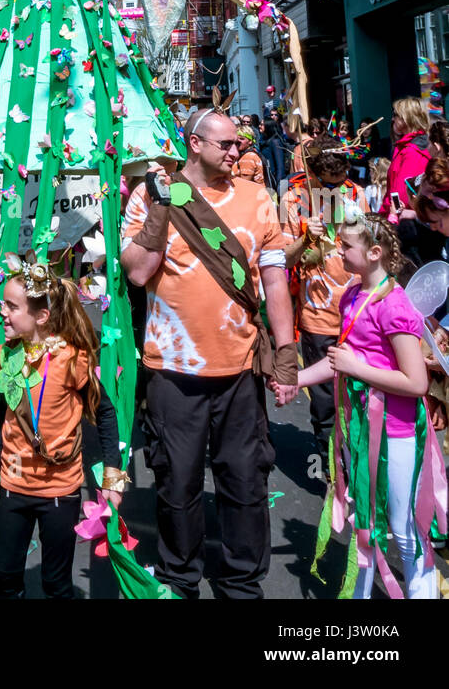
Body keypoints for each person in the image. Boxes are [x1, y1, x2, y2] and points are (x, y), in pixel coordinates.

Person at [121, 108, 297, 599]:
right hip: (172, 372)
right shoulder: (153, 194)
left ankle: (242, 583)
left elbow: (275, 279)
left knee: (245, 482)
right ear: (195, 145)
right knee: (177, 485)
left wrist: (285, 353)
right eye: (228, 145)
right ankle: (181, 579)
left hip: (239, 370)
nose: (238, 151)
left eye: (239, 144)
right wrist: (160, 208)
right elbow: (137, 272)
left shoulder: (258, 198)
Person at [291, 214, 444, 598]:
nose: (339, 251)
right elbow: (337, 362)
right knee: (366, 524)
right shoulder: (352, 296)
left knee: (405, 530)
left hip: (398, 433)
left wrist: (357, 368)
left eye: (346, 246)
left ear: (374, 253)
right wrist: (293, 381)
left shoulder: (394, 307)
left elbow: (416, 382)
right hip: (359, 432)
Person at [0, 255, 123, 599]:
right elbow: (0, 421)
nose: (3, 313)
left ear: (41, 316)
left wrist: (111, 477)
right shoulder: (3, 356)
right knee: (6, 579)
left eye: (12, 306)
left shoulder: (73, 359)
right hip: (13, 486)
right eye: (2, 305)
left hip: (60, 490)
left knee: (56, 584)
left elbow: (107, 415)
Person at [279, 138, 363, 465]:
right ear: (312, 174)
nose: (337, 190)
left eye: (340, 183)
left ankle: (357, 473)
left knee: (359, 401)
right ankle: (331, 476)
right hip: (318, 317)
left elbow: (374, 248)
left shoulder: (355, 194)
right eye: (329, 185)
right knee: (326, 405)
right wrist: (305, 237)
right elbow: (282, 260)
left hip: (358, 314)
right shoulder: (292, 199)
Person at [382, 97, 435, 263]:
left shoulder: (411, 151)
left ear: (407, 118)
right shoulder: (409, 147)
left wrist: (392, 219)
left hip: (407, 227)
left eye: (396, 115)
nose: (393, 119)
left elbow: (400, 194)